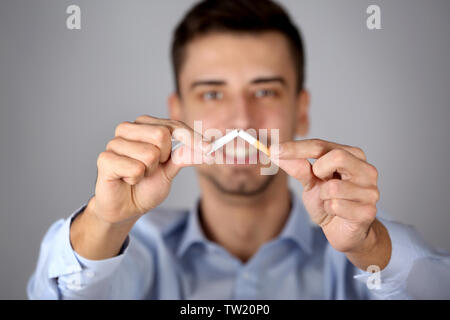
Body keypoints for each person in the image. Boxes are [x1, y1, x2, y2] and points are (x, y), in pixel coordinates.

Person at [27, 0, 449, 299]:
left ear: (301, 112)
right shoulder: (132, 253)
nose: (241, 120)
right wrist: (104, 220)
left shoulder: (363, 241)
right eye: (212, 94)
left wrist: (371, 248)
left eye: (265, 91)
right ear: (178, 113)